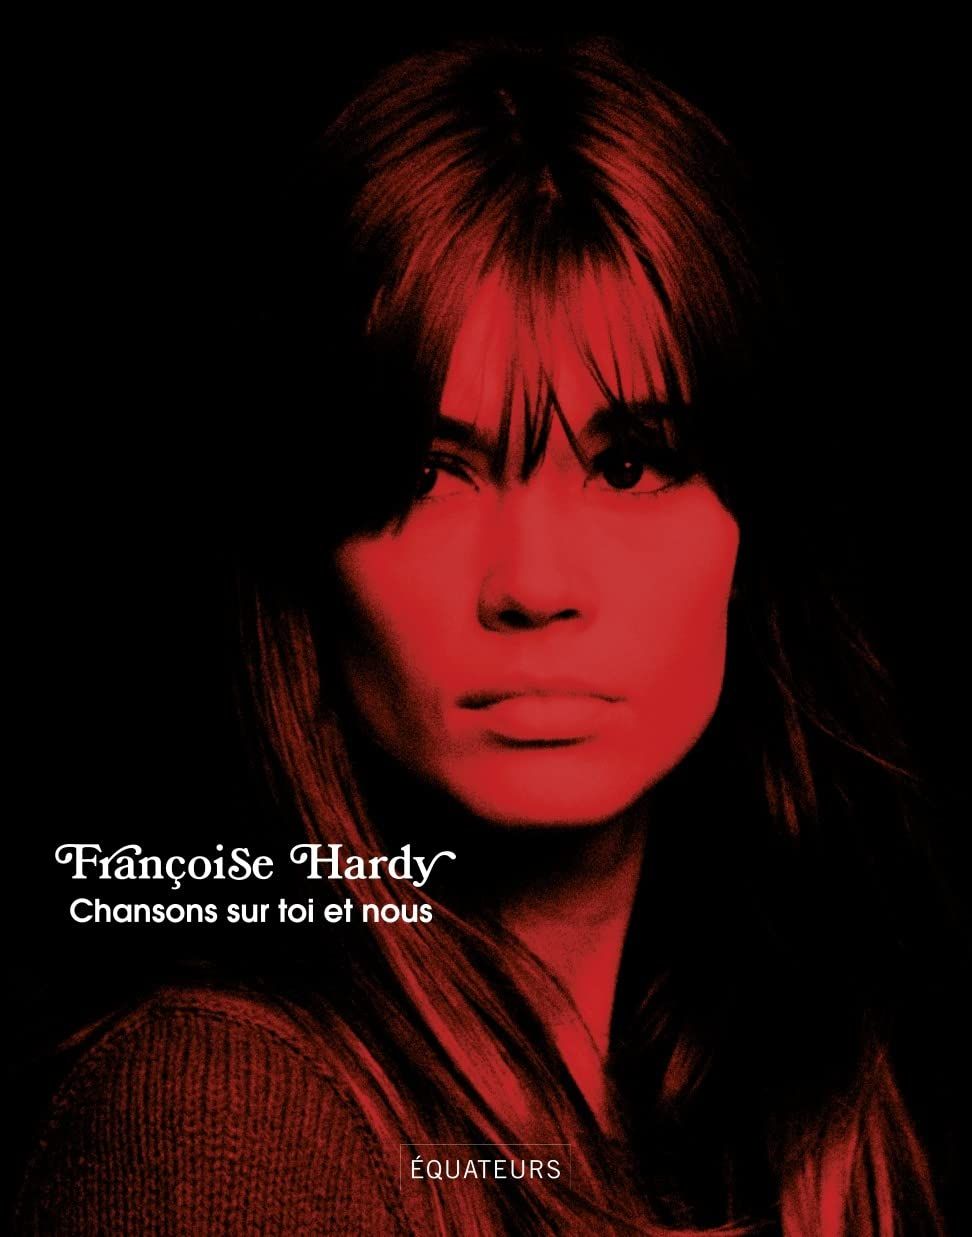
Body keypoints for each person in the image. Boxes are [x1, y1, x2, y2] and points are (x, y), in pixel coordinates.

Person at [15, 35, 954, 1236]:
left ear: (751, 538)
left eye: (630, 463)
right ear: (307, 556)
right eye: (430, 472)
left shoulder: (795, 1127)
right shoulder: (218, 1119)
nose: (534, 584)